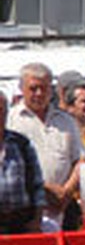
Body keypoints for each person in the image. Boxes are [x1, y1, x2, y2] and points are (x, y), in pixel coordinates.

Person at [8, 62, 85, 232]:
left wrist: (66, 192)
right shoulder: (11, 121)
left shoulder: (66, 121)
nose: (39, 94)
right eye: (33, 88)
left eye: (44, 88)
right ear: (22, 89)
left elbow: (80, 159)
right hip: (27, 210)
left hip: (64, 209)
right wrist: (47, 189)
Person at [0, 92, 45, 234]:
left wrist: (36, 220)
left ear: (6, 113)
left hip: (20, 223)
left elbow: (37, 186)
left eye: (0, 110)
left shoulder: (21, 144)